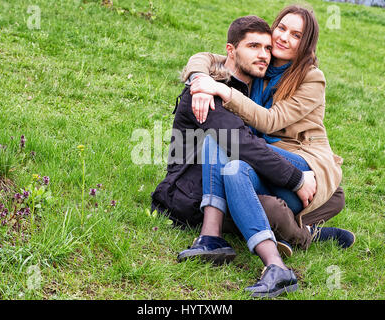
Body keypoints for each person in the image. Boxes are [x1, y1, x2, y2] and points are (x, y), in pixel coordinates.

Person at [179, 4, 355, 282]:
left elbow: (271, 121)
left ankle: (290, 234)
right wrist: (200, 79)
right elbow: (205, 57)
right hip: (262, 162)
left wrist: (221, 90)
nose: (284, 38)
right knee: (234, 170)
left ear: (305, 44)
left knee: (227, 145)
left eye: (296, 35)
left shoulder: (312, 78)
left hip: (302, 162)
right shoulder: (263, 59)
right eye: (281, 28)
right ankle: (256, 253)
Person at [151, 15, 321, 298]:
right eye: (254, 46)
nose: (264, 55)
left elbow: (253, 141)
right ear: (230, 51)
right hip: (189, 193)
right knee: (263, 195)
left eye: (267, 48)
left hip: (228, 180)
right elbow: (244, 143)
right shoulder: (206, 94)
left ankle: (216, 240)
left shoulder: (247, 85)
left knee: (244, 171)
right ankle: (301, 239)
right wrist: (296, 179)